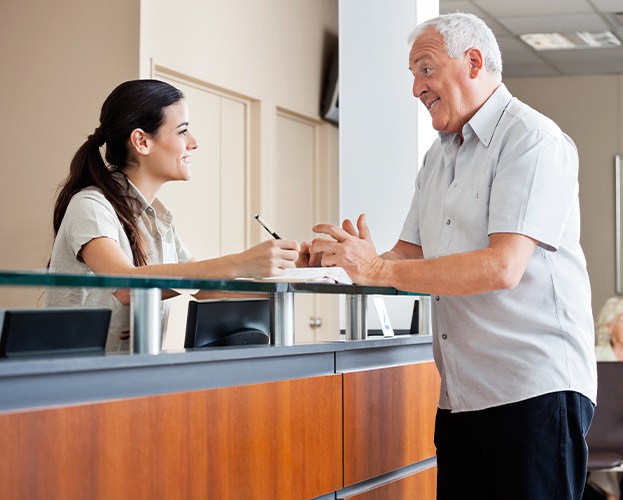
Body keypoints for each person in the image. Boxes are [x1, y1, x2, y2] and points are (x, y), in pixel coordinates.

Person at [309, 12, 597, 500]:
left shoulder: (531, 139)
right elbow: (406, 256)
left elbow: (502, 266)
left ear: (474, 62)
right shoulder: (439, 155)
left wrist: (378, 268)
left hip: (533, 389)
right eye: (412, 75)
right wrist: (344, 260)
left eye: (425, 69)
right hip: (462, 394)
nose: (415, 88)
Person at [45, 79, 300, 352]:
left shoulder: (159, 220)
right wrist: (240, 262)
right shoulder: (91, 206)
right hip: (76, 379)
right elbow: (126, 286)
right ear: (141, 141)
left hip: (129, 374)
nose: (194, 143)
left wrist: (296, 274)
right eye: (182, 131)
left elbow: (204, 289)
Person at [586, 297, 623, 500]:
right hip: (602, 428)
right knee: (607, 436)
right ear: (609, 327)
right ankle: (611, 495)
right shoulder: (594, 356)